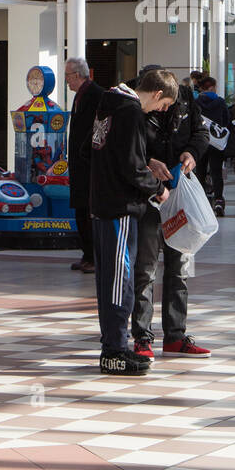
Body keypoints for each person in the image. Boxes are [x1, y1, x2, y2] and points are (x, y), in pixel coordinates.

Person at [90, 68, 178, 376]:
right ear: (156, 94)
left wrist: (145, 161)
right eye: (163, 104)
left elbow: (118, 153)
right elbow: (129, 166)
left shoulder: (109, 103)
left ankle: (112, 344)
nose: (161, 111)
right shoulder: (129, 111)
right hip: (120, 207)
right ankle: (115, 349)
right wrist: (157, 189)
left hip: (102, 203)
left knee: (108, 279)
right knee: (120, 280)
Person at [132, 64, 210, 359]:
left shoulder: (187, 98)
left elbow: (201, 133)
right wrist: (149, 161)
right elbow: (128, 146)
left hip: (179, 194)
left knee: (179, 266)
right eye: (161, 105)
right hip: (150, 195)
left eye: (168, 106)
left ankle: (175, 335)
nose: (163, 111)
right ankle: (142, 335)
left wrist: (192, 152)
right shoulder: (136, 104)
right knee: (146, 268)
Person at [65, 57, 104, 275]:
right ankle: (86, 254)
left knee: (89, 211)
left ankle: (93, 256)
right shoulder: (79, 96)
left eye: (68, 76)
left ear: (78, 75)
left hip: (89, 165)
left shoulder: (95, 94)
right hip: (79, 164)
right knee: (80, 209)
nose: (67, 81)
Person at [197, 75, 229, 216]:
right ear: (211, 87)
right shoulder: (220, 102)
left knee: (200, 171)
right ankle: (218, 200)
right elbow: (227, 120)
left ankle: (200, 200)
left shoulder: (196, 102)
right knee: (216, 172)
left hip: (201, 141)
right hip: (216, 142)